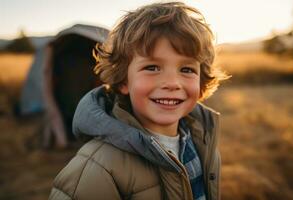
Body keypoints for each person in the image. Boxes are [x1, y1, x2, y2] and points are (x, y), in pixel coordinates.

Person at [49, 1, 229, 200]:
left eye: (186, 69)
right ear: (124, 80)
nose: (172, 83)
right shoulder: (98, 169)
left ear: (201, 82)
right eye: (152, 67)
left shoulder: (202, 142)